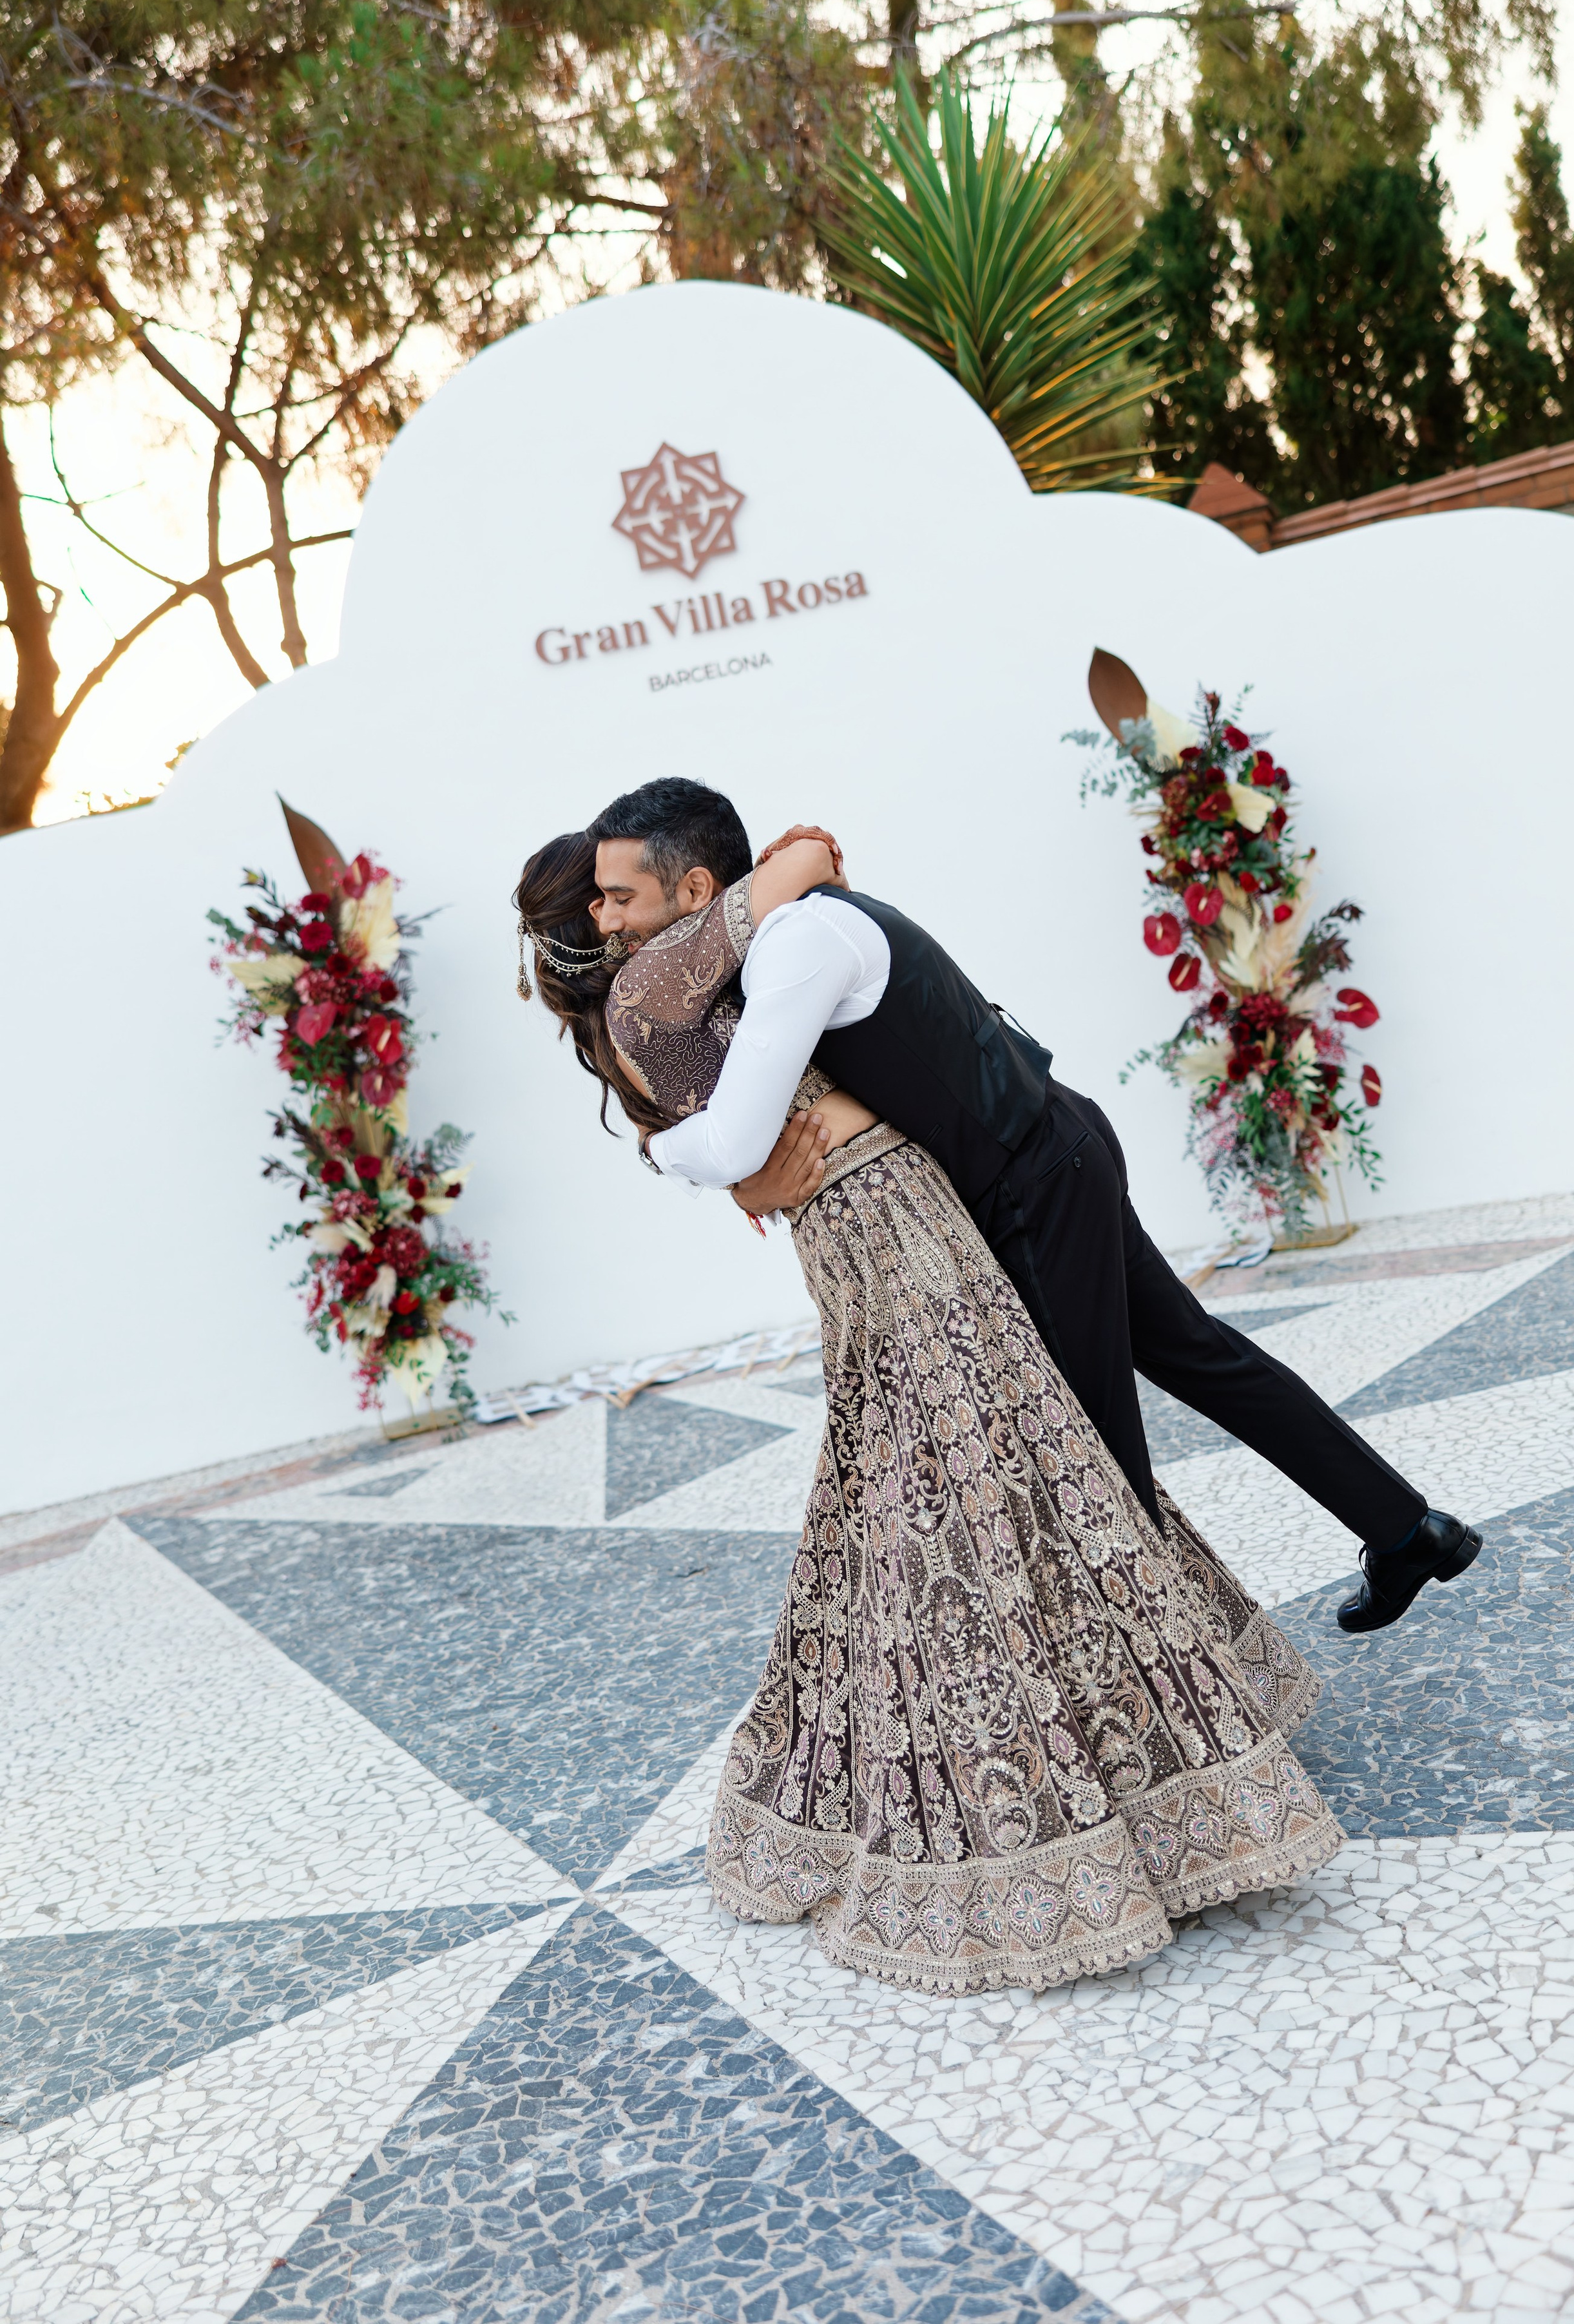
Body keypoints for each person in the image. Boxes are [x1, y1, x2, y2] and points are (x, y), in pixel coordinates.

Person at [514, 791, 1343, 1998]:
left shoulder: (647, 1003)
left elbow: (728, 1099)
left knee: (986, 1474)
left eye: (616, 887)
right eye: (600, 898)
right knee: (988, 1483)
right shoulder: (656, 983)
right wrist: (724, 1144)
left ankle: (1129, 1760)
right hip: (891, 1224)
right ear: (599, 928)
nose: (611, 905)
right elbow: (792, 874)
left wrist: (706, 1158)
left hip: (873, 1225)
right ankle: (1056, 1803)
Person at [583, 781, 1484, 1643]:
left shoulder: (795, 947)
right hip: (1057, 1149)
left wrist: (661, 1149)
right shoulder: (795, 929)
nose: (610, 921)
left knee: (1093, 1450)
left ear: (696, 888)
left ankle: (1185, 1693)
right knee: (1201, 1358)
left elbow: (739, 1142)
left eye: (622, 898)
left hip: (1033, 1187)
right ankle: (1408, 1531)